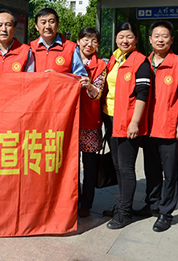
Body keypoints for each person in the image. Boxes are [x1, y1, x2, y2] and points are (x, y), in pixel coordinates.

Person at [140, 20, 178, 232]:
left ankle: (166, 212)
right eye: (156, 36)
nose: (160, 40)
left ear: (171, 40)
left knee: (170, 174)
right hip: (148, 127)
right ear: (150, 39)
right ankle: (152, 204)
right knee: (151, 169)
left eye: (165, 36)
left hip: (169, 126)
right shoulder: (143, 62)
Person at [102, 22, 150, 229]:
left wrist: (135, 123)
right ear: (116, 39)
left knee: (126, 168)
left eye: (129, 37)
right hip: (110, 117)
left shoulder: (141, 62)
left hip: (127, 120)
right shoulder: (115, 58)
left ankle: (125, 213)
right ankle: (122, 204)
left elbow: (142, 94)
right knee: (117, 166)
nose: (125, 40)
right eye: (121, 36)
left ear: (136, 39)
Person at [76, 27, 106, 217]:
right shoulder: (69, 60)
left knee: (89, 165)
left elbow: (98, 93)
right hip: (69, 121)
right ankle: (72, 200)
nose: (89, 44)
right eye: (86, 40)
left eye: (94, 41)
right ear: (78, 41)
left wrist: (89, 87)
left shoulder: (101, 64)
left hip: (90, 121)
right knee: (70, 165)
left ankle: (86, 203)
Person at [29, 8, 87, 76]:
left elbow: (80, 77)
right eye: (43, 23)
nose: (47, 26)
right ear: (36, 26)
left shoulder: (71, 48)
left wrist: (59, 77)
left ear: (57, 24)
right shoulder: (30, 48)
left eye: (52, 22)